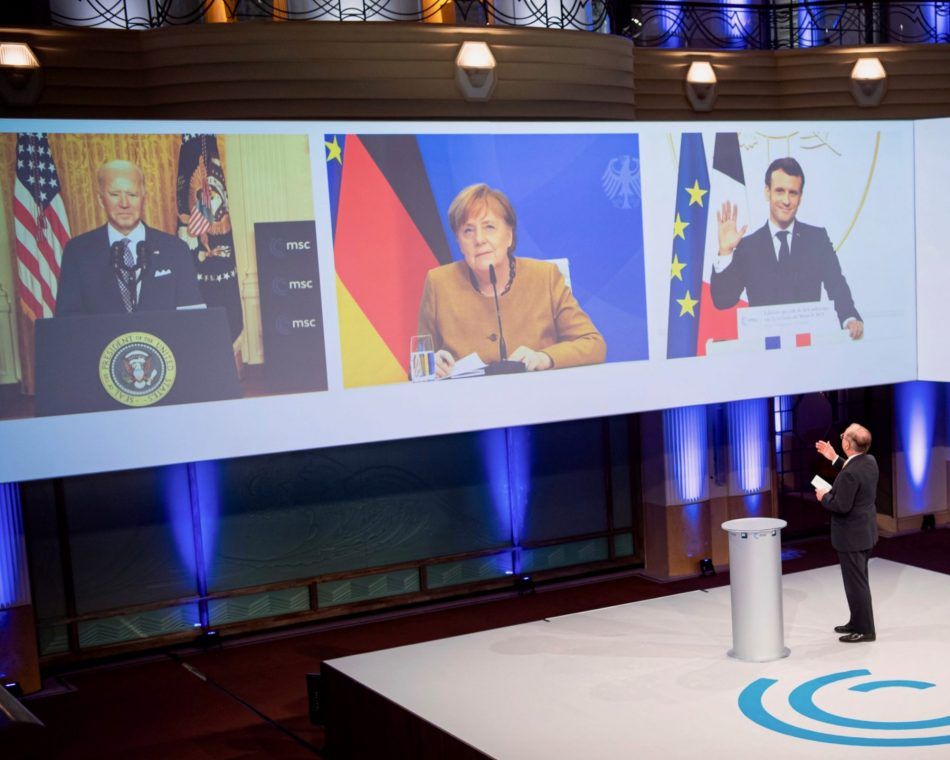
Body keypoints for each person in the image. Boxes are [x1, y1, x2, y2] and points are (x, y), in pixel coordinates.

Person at [417, 183, 606, 378]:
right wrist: (431, 366)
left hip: (539, 400)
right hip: (468, 404)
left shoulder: (545, 277)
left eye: (489, 227)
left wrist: (544, 358)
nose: (479, 239)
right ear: (459, 243)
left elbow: (593, 344)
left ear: (509, 236)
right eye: (468, 231)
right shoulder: (439, 283)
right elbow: (419, 365)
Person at [711, 157, 863, 340]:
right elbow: (723, 300)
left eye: (793, 193)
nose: (786, 200)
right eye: (780, 191)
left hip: (808, 351)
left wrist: (850, 318)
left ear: (801, 197)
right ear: (767, 192)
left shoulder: (817, 239)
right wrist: (725, 252)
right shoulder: (748, 246)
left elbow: (836, 284)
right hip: (763, 354)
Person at [56, 160, 205, 316]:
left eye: (132, 195)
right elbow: (68, 325)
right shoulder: (78, 252)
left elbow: (192, 318)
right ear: (101, 200)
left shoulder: (175, 249)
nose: (124, 204)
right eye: (115, 194)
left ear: (143, 199)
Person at [814, 423, 879, 643]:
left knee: (856, 584)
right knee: (857, 582)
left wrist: (824, 496)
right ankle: (857, 621)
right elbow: (852, 472)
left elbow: (841, 505)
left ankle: (865, 630)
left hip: (851, 536)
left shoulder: (850, 473)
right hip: (864, 533)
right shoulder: (869, 461)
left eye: (843, 436)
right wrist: (834, 458)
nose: (841, 438)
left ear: (848, 443)